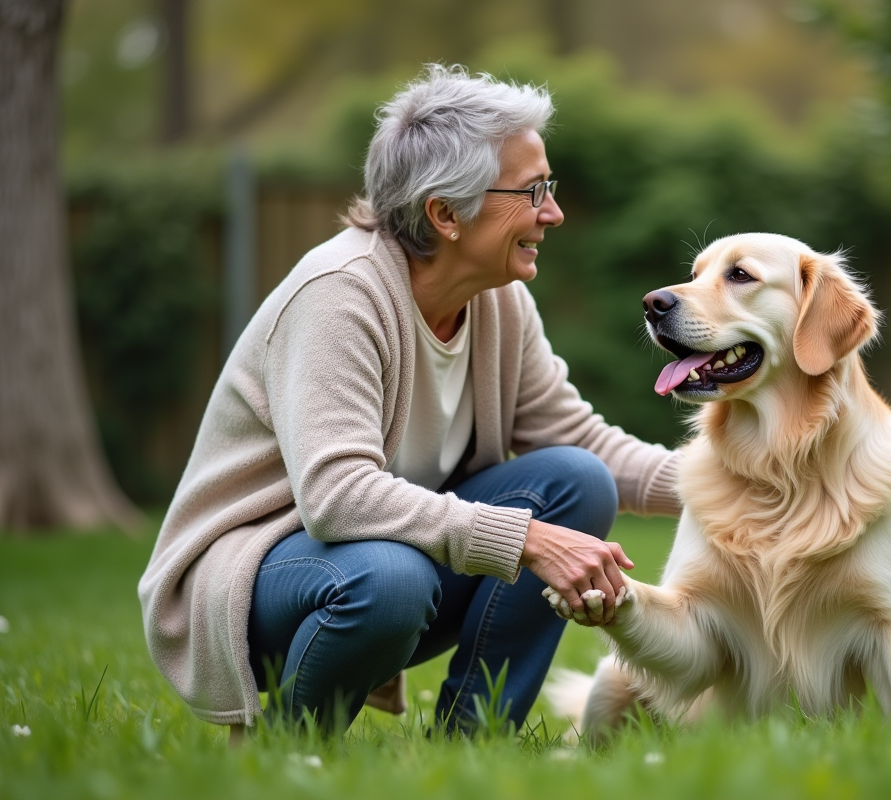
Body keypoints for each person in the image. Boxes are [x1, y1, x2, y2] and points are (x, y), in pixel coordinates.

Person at [137, 64, 681, 738]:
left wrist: (741, 481)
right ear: (446, 213)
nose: (553, 212)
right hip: (257, 580)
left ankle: (472, 743)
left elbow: (580, 441)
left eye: (552, 187)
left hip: (390, 560)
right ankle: (292, 751)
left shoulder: (500, 302)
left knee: (577, 481)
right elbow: (338, 496)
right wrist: (527, 539)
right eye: (533, 190)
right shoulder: (340, 294)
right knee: (392, 578)